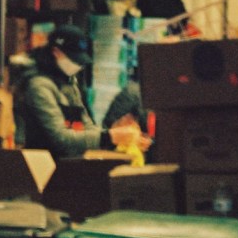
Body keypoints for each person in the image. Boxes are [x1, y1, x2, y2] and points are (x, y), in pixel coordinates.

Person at [17, 22, 144, 156]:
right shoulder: (39, 86)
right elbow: (61, 138)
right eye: (74, 60)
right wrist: (109, 137)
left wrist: (117, 137)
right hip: (43, 164)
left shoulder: (69, 83)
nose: (78, 66)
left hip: (68, 163)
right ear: (56, 52)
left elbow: (86, 125)